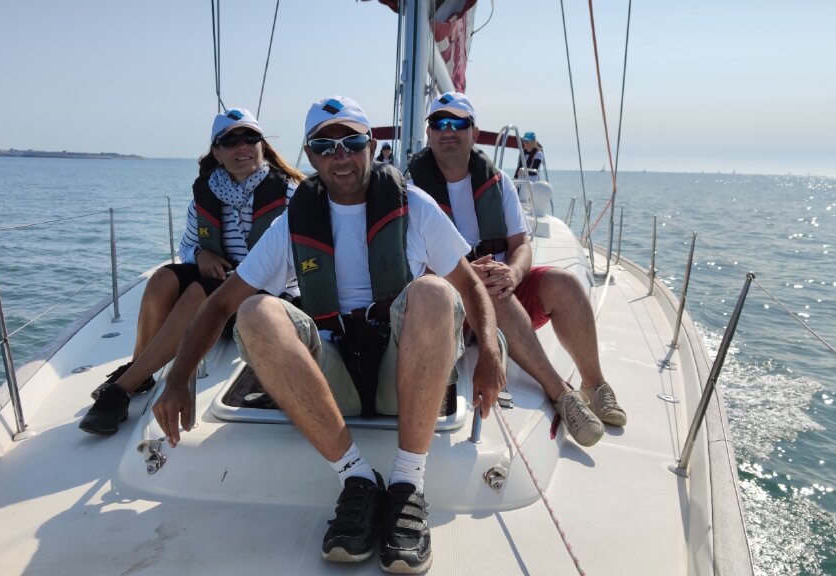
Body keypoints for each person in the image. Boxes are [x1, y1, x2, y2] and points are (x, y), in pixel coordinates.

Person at [152, 96, 503, 574]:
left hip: (402, 375)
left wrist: (490, 354)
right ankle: (357, 479)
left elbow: (471, 287)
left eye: (351, 143)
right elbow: (219, 305)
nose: (340, 157)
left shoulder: (413, 206)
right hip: (331, 382)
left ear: (371, 146)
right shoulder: (294, 222)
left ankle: (406, 485)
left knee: (434, 291)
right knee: (255, 311)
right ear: (309, 156)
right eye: (325, 146)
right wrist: (178, 379)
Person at [408, 91, 627, 448]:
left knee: (564, 284)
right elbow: (410, 264)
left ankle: (595, 385)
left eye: (458, 123)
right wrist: (465, 275)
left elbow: (521, 245)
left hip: (499, 285)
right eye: (439, 123)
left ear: (473, 133)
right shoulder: (411, 191)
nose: (448, 130)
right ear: (429, 133)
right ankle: (561, 393)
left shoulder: (498, 183)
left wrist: (513, 273)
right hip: (447, 302)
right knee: (490, 291)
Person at [79, 107, 303, 436]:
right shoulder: (206, 196)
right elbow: (186, 245)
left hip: (266, 297)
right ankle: (141, 369)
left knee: (200, 291)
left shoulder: (290, 194)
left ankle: (121, 390)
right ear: (217, 152)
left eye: (250, 137)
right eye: (230, 141)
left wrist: (243, 276)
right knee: (163, 278)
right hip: (219, 293)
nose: (242, 146)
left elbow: (300, 260)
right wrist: (200, 254)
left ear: (262, 144)